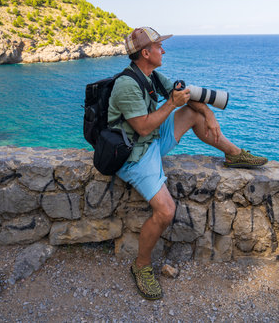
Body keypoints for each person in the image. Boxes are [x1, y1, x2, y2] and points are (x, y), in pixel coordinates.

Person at [108, 27, 268, 300]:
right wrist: (171, 104)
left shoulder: (151, 75)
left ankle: (233, 154)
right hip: (134, 154)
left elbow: (186, 95)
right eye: (159, 46)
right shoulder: (126, 84)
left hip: (152, 140)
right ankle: (141, 266)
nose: (164, 50)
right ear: (145, 53)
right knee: (166, 211)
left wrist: (209, 114)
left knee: (193, 114)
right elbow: (143, 128)